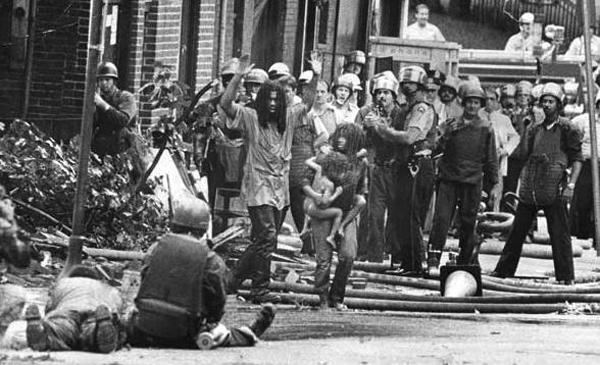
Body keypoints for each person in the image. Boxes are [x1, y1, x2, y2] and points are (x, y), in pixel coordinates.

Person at [221, 54, 320, 304]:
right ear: (263, 101)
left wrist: (316, 75)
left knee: (265, 240)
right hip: (258, 186)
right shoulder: (251, 117)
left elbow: (306, 103)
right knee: (266, 236)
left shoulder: (289, 118)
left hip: (280, 189)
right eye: (270, 99)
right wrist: (239, 77)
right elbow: (225, 104)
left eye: (278, 99)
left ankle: (231, 282)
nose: (274, 104)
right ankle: (259, 290)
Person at [126, 197, 275, 349]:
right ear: (203, 228)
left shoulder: (155, 249)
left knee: (127, 322)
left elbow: (145, 279)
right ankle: (248, 333)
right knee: (220, 333)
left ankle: (113, 329)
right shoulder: (210, 259)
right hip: (183, 333)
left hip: (144, 327)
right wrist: (211, 321)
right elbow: (218, 299)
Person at [493, 83, 583, 284]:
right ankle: (503, 270)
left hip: (554, 187)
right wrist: (527, 128)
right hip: (532, 186)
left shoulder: (568, 128)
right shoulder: (534, 129)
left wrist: (571, 186)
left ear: (559, 105)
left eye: (551, 101)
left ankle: (565, 276)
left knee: (559, 234)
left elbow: (577, 159)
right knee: (517, 230)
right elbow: (522, 155)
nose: (547, 105)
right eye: (544, 102)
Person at [370, 65, 437, 273]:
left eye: (411, 83)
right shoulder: (408, 108)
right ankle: (408, 263)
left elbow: (409, 137)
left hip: (418, 165)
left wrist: (384, 130)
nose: (406, 86)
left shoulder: (421, 109)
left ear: (419, 86)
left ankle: (416, 264)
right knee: (401, 216)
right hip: (406, 166)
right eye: (405, 83)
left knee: (411, 217)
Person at [427, 84, 498, 276]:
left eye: (476, 102)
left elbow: (491, 158)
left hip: (473, 181)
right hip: (449, 179)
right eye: (469, 102)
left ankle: (465, 262)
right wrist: (447, 136)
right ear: (463, 103)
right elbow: (434, 149)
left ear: (481, 105)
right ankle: (433, 259)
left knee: (468, 222)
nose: (472, 106)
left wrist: (494, 185)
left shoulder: (486, 128)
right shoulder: (450, 124)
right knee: (441, 220)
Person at [302, 123, 367, 310]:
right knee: (323, 259)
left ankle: (337, 297)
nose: (341, 139)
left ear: (355, 141)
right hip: (322, 213)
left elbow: (361, 191)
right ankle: (322, 298)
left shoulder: (360, 164)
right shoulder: (324, 157)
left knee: (348, 255)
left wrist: (354, 205)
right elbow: (304, 182)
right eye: (339, 135)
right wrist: (316, 197)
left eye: (346, 137)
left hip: (346, 213)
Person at [355, 72, 403, 263]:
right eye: (379, 93)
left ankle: (395, 257)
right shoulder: (367, 113)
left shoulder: (402, 113)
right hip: (377, 168)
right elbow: (354, 138)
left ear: (394, 95)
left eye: (386, 92)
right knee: (374, 215)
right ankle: (374, 256)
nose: (382, 96)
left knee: (396, 216)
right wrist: (365, 127)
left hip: (398, 170)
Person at [24, 265, 123, 353]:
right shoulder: (105, 286)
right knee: (91, 333)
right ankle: (99, 330)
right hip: (94, 313)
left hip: (66, 312)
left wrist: (49, 320)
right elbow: (117, 306)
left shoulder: (63, 282)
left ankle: (43, 335)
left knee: (59, 331)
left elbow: (50, 307)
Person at [480, 88, 520, 212]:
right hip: (479, 162)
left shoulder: (503, 119)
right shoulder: (477, 116)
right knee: (479, 194)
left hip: (497, 161)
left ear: (497, 102)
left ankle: (493, 223)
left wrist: (506, 150)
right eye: (486, 99)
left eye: (492, 99)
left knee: (495, 195)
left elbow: (515, 137)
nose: (489, 102)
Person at [570, 92, 600, 243]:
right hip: (587, 164)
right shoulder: (583, 121)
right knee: (583, 202)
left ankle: (597, 239)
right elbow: (570, 135)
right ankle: (582, 235)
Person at [92, 61, 139, 157]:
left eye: (107, 79)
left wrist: (103, 105)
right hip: (101, 149)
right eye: (101, 80)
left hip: (123, 151)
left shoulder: (126, 97)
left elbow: (123, 120)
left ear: (114, 81)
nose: (104, 83)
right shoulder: (96, 99)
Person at [304, 153, 347, 247]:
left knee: (311, 196)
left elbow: (307, 161)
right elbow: (324, 202)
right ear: (334, 171)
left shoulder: (319, 170)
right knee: (338, 212)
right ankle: (331, 236)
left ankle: (306, 227)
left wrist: (318, 156)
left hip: (309, 205)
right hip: (316, 209)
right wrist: (336, 194)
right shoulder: (329, 184)